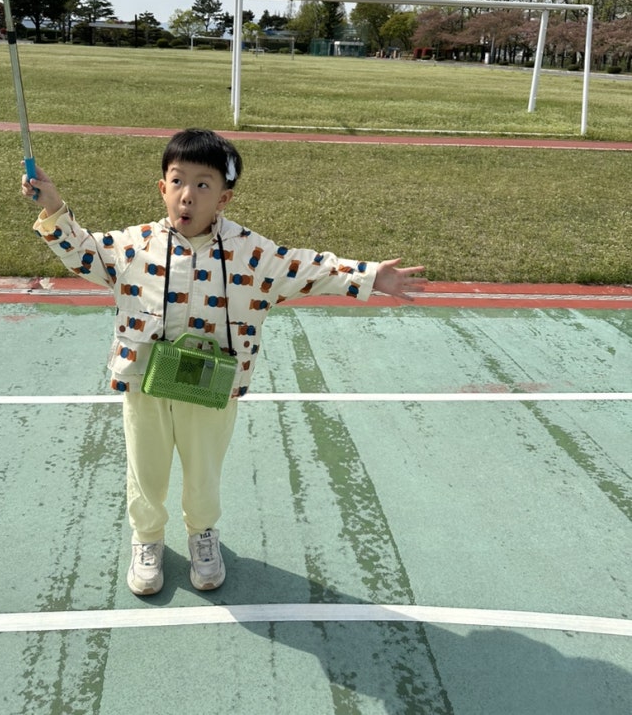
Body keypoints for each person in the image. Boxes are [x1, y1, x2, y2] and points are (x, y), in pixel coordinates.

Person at [21, 128, 426, 597]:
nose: (187, 195)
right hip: (144, 380)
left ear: (224, 197)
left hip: (209, 385)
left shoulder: (251, 254)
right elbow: (84, 251)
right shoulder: (134, 246)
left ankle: (202, 534)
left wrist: (371, 276)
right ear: (162, 188)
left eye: (203, 184)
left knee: (204, 469)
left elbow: (307, 267)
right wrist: (53, 206)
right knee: (145, 469)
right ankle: (147, 538)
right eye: (177, 181)